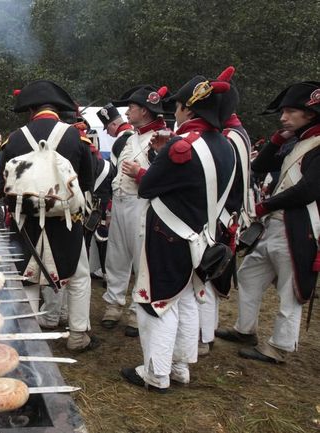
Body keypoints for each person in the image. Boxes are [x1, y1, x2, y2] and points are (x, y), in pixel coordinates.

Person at [120, 72, 236, 392]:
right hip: (198, 234)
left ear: (189, 110)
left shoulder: (182, 146)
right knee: (185, 300)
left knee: (156, 303)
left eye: (180, 107)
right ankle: (180, 367)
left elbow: (149, 187)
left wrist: (157, 159)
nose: (177, 112)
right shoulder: (224, 144)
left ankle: (156, 374)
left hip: (168, 234)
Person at [215, 81, 320, 364]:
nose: (283, 117)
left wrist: (264, 206)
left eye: (290, 112)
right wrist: (276, 139)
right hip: (277, 224)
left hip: (301, 226)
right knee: (249, 273)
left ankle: (279, 347)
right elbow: (259, 166)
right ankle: (245, 329)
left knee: (290, 290)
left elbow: (308, 190)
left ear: (310, 114)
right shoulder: (298, 141)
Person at [0, 79, 98, 352]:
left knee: (28, 278)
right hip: (67, 222)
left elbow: (0, 187)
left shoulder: (14, 139)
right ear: (56, 109)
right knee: (78, 277)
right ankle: (78, 335)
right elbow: (87, 183)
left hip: (26, 221)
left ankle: (29, 338)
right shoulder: (76, 137)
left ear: (30, 111)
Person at [101, 85, 172, 337]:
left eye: (131, 107)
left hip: (143, 205)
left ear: (144, 110)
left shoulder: (164, 138)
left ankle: (136, 310)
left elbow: (167, 179)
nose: (127, 112)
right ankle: (113, 305)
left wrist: (140, 174)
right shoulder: (129, 138)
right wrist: (110, 208)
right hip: (120, 203)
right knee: (116, 257)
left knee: (142, 261)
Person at [198, 67, 252, 357]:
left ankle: (203, 337)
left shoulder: (228, 137)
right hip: (224, 214)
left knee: (205, 277)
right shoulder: (235, 132)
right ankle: (204, 334)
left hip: (217, 214)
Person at [97, 102, 133, 167]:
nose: (107, 133)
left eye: (107, 129)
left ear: (114, 124)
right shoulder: (133, 132)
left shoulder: (123, 138)